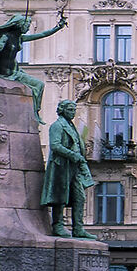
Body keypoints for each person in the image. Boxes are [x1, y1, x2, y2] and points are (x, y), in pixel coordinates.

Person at [0, 12, 67, 119]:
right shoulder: (5, 37)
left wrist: (57, 28)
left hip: (15, 73)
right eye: (27, 25)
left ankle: (35, 113)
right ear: (19, 25)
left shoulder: (20, 38)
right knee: (36, 85)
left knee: (39, 85)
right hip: (3, 72)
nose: (28, 28)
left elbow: (42, 35)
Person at [42, 99, 98, 238]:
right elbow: (55, 146)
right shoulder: (57, 126)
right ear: (62, 110)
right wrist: (72, 155)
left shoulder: (71, 126)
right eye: (69, 110)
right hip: (61, 166)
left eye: (74, 110)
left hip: (74, 167)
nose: (73, 112)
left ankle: (78, 228)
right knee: (60, 197)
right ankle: (58, 226)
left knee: (80, 197)